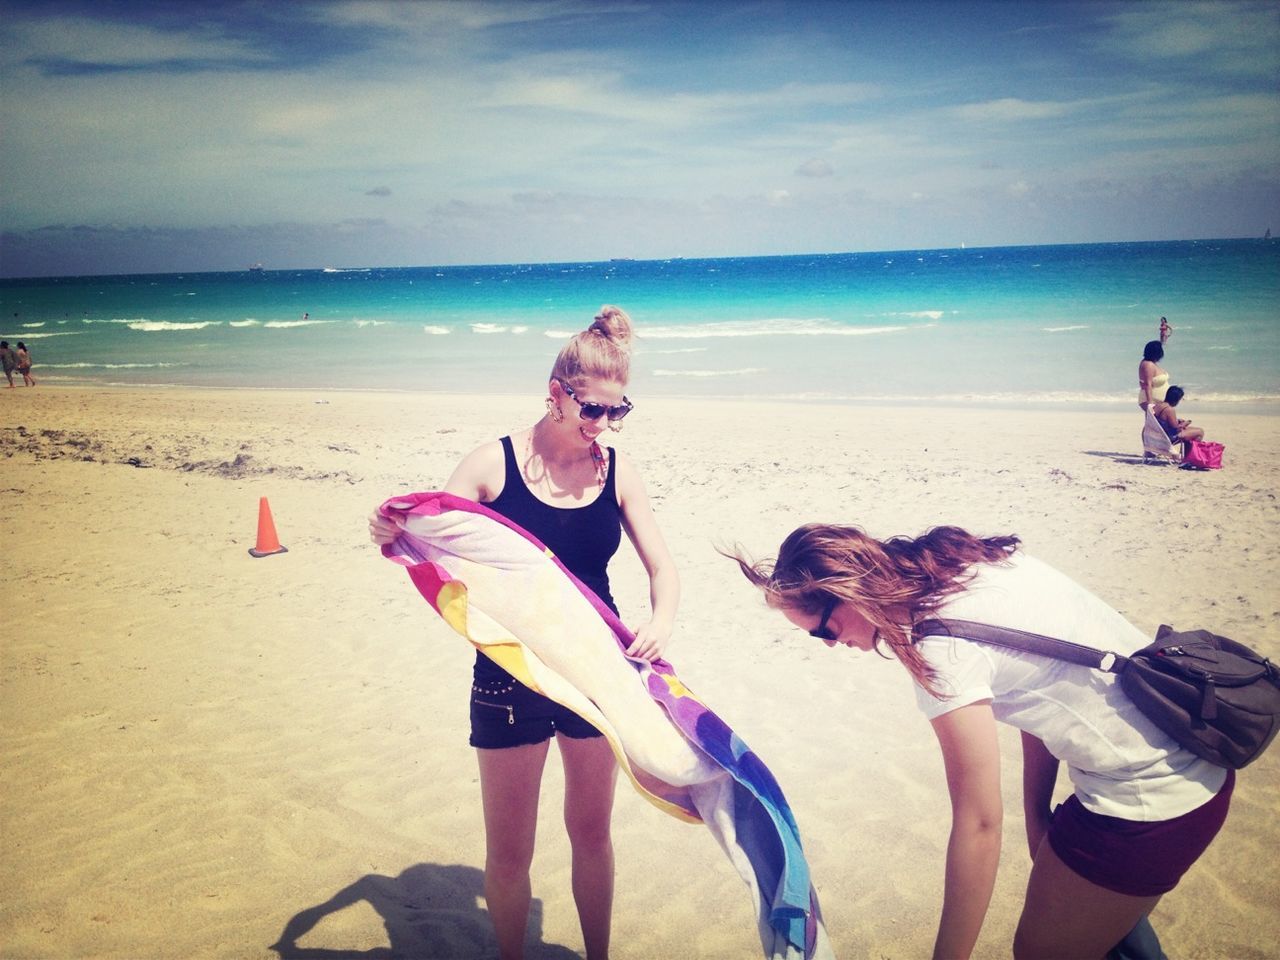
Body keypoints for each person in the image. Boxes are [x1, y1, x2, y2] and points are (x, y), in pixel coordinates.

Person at [730, 525, 1232, 960]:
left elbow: (979, 825)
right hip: (1181, 750)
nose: (832, 646)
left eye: (823, 632)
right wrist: (1037, 814)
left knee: (1039, 953)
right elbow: (1042, 678)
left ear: (849, 592)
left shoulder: (939, 648)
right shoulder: (962, 562)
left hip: (1155, 801)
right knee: (1101, 932)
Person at [368, 305, 679, 960]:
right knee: (510, 854)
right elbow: (431, 537)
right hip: (509, 677)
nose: (604, 425)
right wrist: (390, 532)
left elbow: (663, 567)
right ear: (556, 394)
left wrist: (661, 620)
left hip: (596, 675)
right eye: (593, 410)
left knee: (592, 836)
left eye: (618, 412)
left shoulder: (616, 472)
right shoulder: (493, 465)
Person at [1137, 340, 1168, 409]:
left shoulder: (1151, 363)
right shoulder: (1148, 365)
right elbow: (1148, 384)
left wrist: (1163, 336)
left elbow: (1161, 344)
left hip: (1158, 401)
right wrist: (1150, 404)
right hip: (1152, 400)